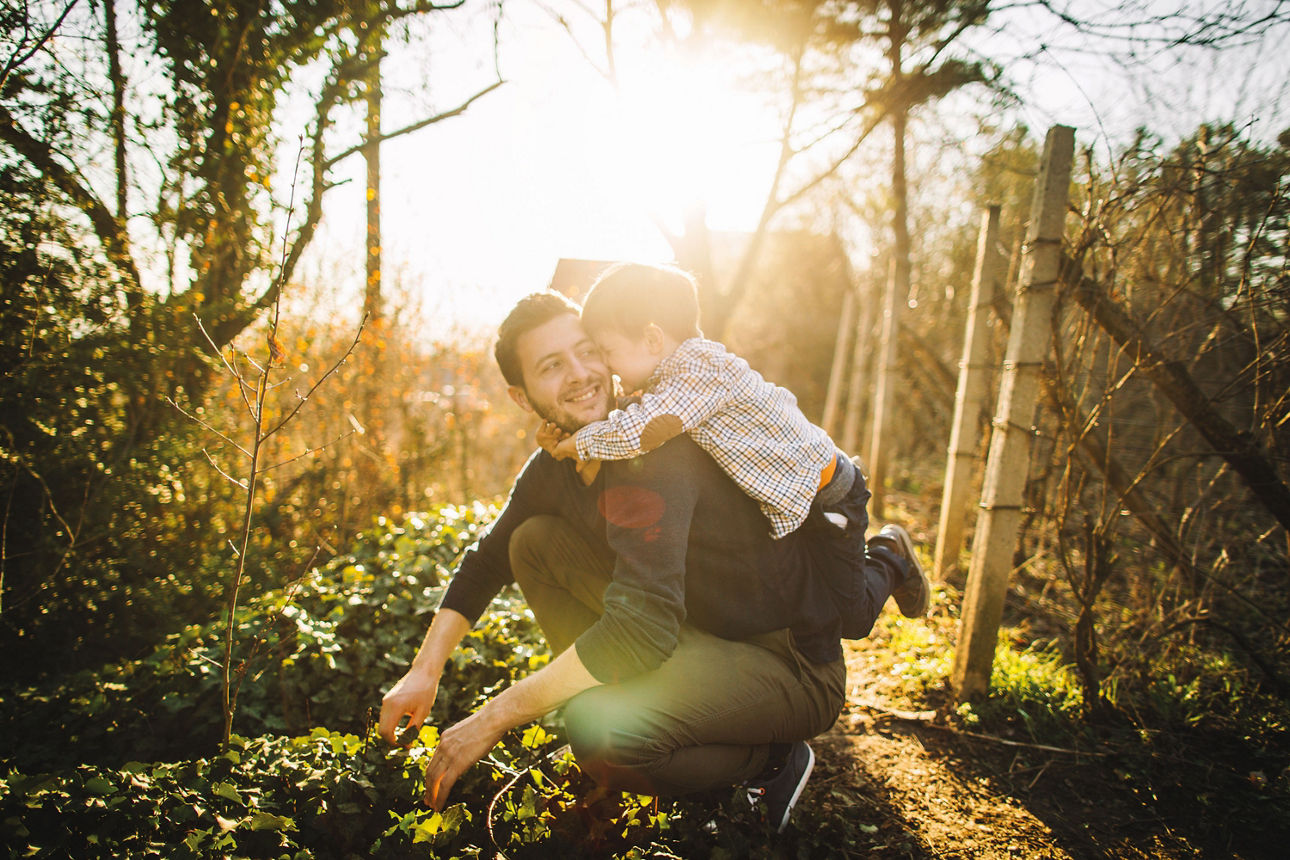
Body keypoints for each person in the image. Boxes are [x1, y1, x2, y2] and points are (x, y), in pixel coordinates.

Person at [378, 289, 929, 833]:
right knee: (532, 542)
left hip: (791, 659)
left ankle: (773, 761)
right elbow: (488, 559)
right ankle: (649, 711)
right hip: (700, 631)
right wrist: (422, 673)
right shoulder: (558, 462)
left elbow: (641, 625)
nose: (580, 373)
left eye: (587, 349)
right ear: (522, 397)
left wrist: (493, 718)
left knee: (603, 735)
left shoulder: (657, 441)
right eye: (551, 366)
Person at [544, 262, 853, 541]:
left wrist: (576, 444)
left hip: (828, 490)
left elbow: (639, 431)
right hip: (805, 488)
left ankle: (891, 553)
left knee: (848, 602)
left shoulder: (699, 372)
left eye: (608, 351)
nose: (607, 365)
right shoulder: (675, 375)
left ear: (653, 340)